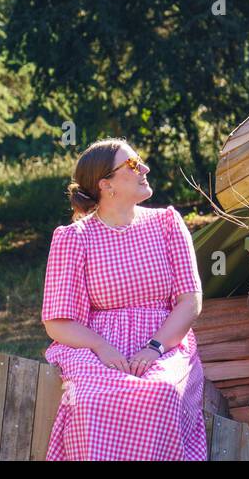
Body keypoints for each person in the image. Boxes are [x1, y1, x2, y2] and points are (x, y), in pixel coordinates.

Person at [40, 138, 207, 459]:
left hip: (164, 341)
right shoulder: (74, 238)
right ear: (106, 185)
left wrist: (155, 346)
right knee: (91, 400)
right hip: (98, 346)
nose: (144, 168)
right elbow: (58, 321)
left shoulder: (167, 224)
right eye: (132, 164)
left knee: (161, 392)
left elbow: (190, 301)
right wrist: (101, 347)